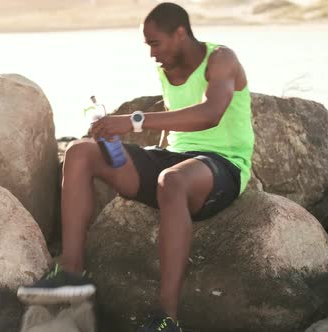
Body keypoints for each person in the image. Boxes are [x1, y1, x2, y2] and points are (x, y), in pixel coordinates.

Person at [18, 2, 254, 331]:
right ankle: (71, 273)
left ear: (181, 33)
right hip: (176, 159)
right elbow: (175, 125)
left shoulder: (221, 59)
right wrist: (128, 149)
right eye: (148, 45)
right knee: (80, 152)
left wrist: (132, 121)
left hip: (222, 166)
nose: (152, 54)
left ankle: (166, 319)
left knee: (171, 181)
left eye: (156, 43)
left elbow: (210, 113)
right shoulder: (168, 67)